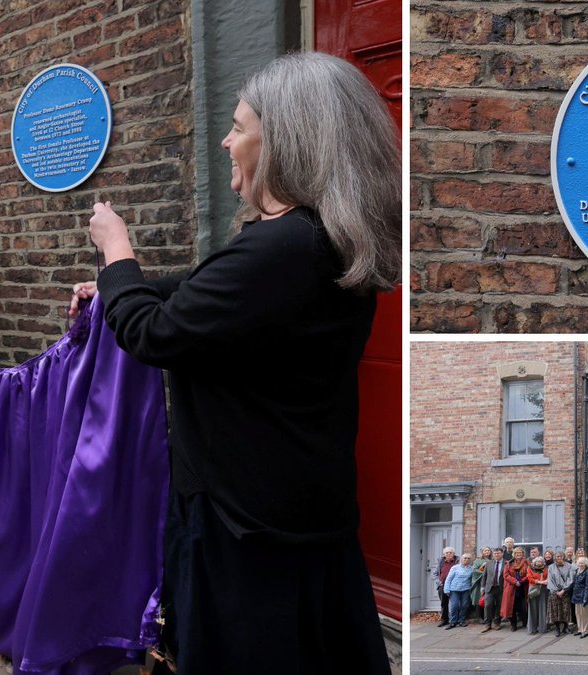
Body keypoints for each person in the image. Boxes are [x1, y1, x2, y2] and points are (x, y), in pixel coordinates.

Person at [74, 52, 400, 673]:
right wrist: (120, 286)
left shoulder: (281, 248)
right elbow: (214, 293)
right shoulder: (317, 237)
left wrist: (117, 253)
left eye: (239, 126)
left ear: (285, 143)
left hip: (247, 525)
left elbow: (157, 335)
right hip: (297, 506)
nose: (226, 140)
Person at [546, 549, 574, 636]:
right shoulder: (551, 567)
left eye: (560, 556)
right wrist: (555, 591)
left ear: (564, 557)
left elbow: (570, 579)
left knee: (565, 611)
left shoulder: (569, 566)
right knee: (555, 612)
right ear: (555, 557)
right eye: (557, 556)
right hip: (554, 593)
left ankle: (565, 627)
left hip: (565, 592)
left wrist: (563, 590)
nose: (559, 558)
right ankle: (557, 629)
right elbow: (549, 580)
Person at [443, 554, 475, 629]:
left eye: (468, 558)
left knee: (464, 605)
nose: (466, 559)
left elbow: (473, 578)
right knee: (454, 605)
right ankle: (452, 622)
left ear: (470, 560)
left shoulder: (471, 568)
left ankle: (461, 621)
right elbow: (448, 579)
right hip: (454, 589)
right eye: (464, 558)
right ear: (461, 559)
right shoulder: (455, 568)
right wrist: (446, 589)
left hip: (466, 589)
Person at [502, 547, 529, 631]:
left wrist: (521, 581)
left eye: (520, 553)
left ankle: (525, 623)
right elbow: (506, 575)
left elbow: (529, 574)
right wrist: (515, 581)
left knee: (523, 607)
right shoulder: (509, 563)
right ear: (514, 554)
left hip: (523, 587)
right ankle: (513, 624)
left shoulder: (527, 563)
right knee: (511, 607)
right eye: (517, 553)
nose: (518, 555)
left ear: (522, 554)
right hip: (511, 588)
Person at [482, 548, 506, 632]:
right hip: (490, 588)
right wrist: (482, 587)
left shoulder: (506, 563)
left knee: (499, 606)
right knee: (488, 605)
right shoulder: (488, 563)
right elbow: (484, 576)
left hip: (501, 588)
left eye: (498, 553)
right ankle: (487, 624)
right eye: (495, 553)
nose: (496, 555)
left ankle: (496, 623)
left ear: (502, 554)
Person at [434, 547, 458, 628]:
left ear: (453, 554)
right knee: (444, 603)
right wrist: (438, 582)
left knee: (454, 603)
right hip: (442, 585)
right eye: (447, 553)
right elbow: (435, 574)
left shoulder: (457, 561)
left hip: (454, 586)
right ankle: (444, 620)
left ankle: (454, 620)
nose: (448, 554)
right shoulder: (441, 562)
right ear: (444, 554)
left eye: (450, 552)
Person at [525, 556, 549, 635]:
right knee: (532, 608)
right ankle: (532, 628)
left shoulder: (546, 569)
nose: (539, 563)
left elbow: (548, 577)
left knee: (542, 608)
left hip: (543, 590)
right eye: (538, 561)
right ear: (535, 562)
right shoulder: (530, 568)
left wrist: (545, 581)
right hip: (533, 589)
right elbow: (529, 578)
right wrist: (539, 581)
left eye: (541, 561)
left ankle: (542, 628)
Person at [571, 557, 588, 638]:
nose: (580, 564)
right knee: (578, 613)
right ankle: (580, 629)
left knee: (584, 614)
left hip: (583, 595)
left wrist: (586, 598)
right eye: (579, 563)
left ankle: (585, 630)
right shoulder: (577, 571)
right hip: (576, 595)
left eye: (582, 563)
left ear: (585, 564)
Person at [471, 546, 493, 623]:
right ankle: (480, 617)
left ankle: (488, 617)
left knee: (488, 600)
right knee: (479, 600)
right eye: (485, 550)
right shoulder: (478, 561)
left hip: (490, 582)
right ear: (482, 552)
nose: (487, 552)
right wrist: (484, 572)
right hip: (480, 582)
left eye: (488, 550)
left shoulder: (492, 560)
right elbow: (474, 570)